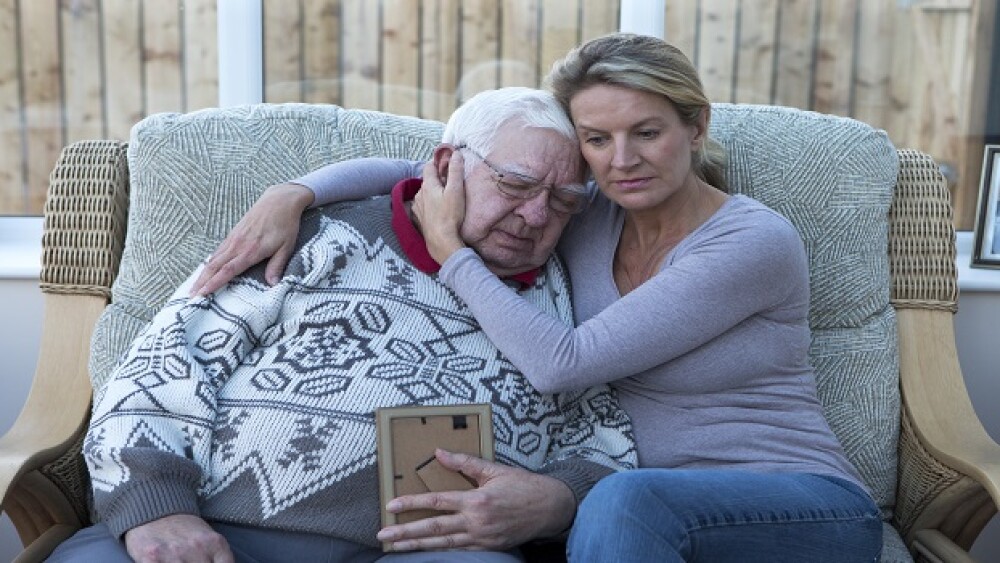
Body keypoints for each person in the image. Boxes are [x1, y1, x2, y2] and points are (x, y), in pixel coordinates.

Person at [192, 34, 884, 562]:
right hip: (632, 519)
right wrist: (297, 193)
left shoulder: (750, 242)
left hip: (797, 506)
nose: (622, 160)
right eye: (597, 140)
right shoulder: (585, 210)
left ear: (695, 127)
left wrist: (453, 254)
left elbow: (563, 362)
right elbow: (435, 164)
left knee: (622, 498)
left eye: (647, 132)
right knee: (612, 505)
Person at [48, 87, 638, 563]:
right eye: (514, 183)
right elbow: (159, 368)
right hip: (217, 531)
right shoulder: (315, 238)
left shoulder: (569, 293)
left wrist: (561, 499)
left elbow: (609, 440)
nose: (536, 215)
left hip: (432, 551)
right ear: (445, 166)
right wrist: (157, 509)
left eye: (563, 201)